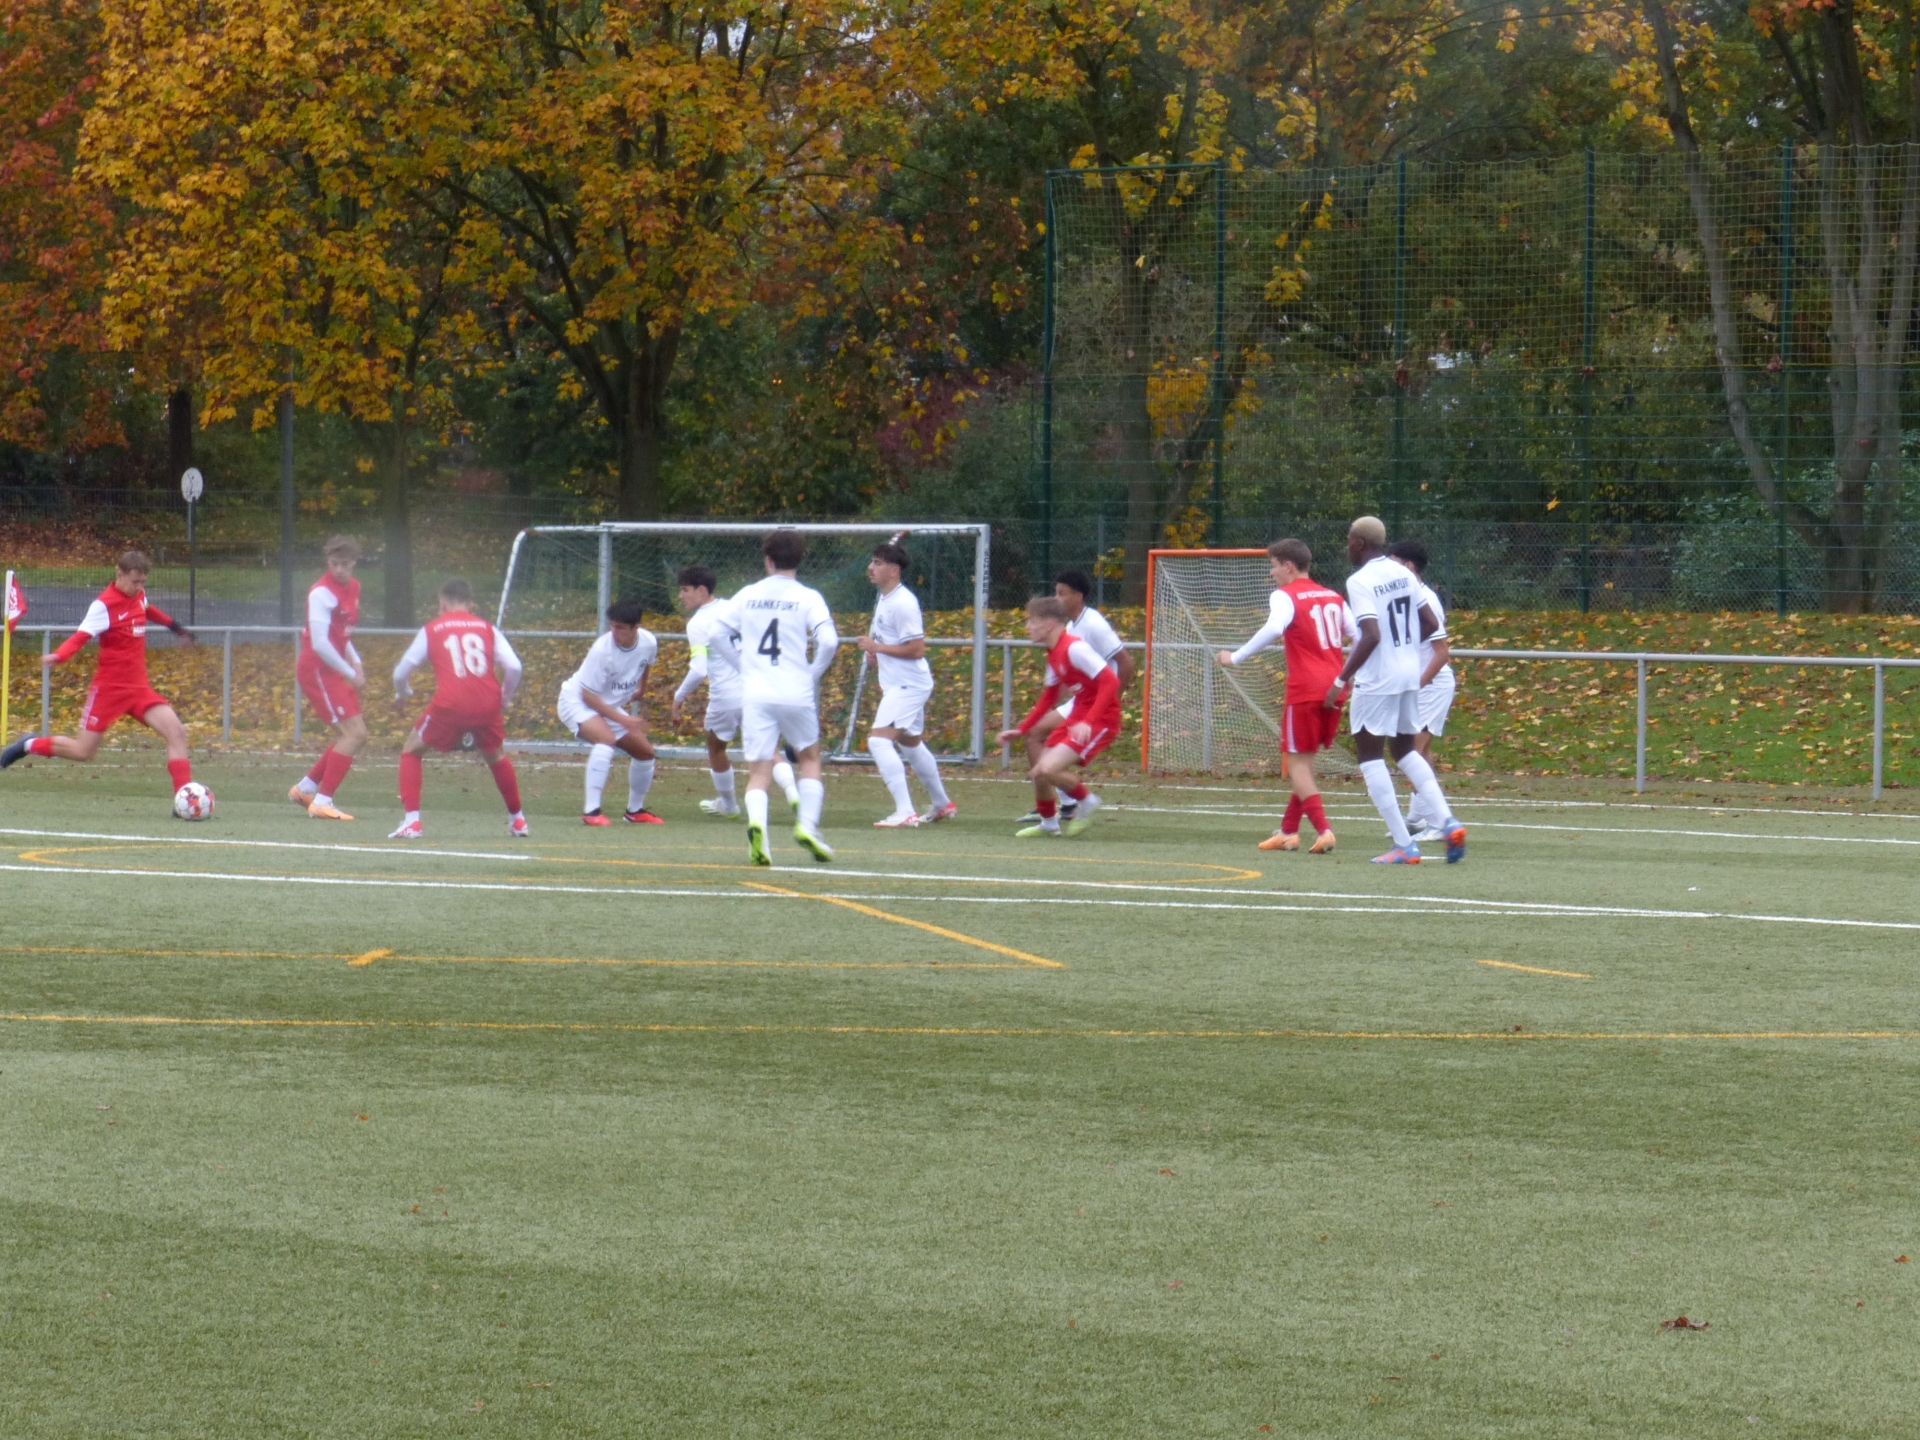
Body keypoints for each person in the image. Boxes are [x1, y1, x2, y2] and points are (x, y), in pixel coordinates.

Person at [1, 549, 197, 799]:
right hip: (108, 690)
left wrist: (177, 629)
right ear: (119, 574)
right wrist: (58, 656)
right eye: (135, 581)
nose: (139, 587)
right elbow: (80, 637)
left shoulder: (138, 595)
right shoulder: (103, 605)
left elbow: (148, 609)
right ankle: (28, 744)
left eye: (142, 582)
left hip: (139, 689)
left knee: (176, 732)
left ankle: (184, 799)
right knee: (83, 752)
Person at [1326, 517, 1465, 865]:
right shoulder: (1403, 574)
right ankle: (1448, 822)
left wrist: (1341, 679)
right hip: (1408, 674)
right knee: (1404, 750)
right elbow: (1430, 623)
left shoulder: (1360, 580)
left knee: (1370, 756)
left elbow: (1371, 635)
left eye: (1349, 540)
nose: (1347, 546)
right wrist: (1403, 650)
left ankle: (1404, 845)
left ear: (1359, 543)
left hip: (1378, 679)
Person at [1214, 538, 1353, 853]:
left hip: (1305, 688)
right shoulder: (1333, 596)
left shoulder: (1285, 595)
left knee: (1297, 765)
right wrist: (1348, 677)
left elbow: (1275, 628)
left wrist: (1236, 656)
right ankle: (1288, 831)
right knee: (1305, 761)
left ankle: (1324, 831)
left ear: (1288, 566)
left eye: (1273, 566)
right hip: (1334, 687)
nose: (1272, 573)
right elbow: (1359, 634)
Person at [388, 577, 528, 839]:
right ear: (470, 605)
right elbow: (515, 667)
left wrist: (403, 692)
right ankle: (518, 820)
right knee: (496, 756)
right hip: (487, 702)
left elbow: (400, 672)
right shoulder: (487, 628)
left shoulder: (432, 629)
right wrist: (505, 697)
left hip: (451, 703)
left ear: (442, 603)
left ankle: (412, 822)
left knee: (412, 750)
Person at [732, 529, 840, 865]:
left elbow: (717, 632)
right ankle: (807, 826)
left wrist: (741, 665)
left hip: (757, 692)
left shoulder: (748, 594)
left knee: (759, 771)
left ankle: (758, 828)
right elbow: (829, 641)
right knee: (809, 758)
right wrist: (812, 673)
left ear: (768, 560)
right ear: (799, 559)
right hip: (795, 691)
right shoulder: (808, 596)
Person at [1016, 570, 1133, 825]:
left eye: (1062, 593)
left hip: (1096, 701)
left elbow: (1125, 663)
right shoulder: (1065, 631)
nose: (1056, 598)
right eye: (1055, 593)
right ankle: (1054, 807)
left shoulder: (1093, 625)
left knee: (1043, 757)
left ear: (1078, 596)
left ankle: (1067, 797)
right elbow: (1050, 693)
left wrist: (1108, 704)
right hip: (1081, 700)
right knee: (1034, 736)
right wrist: (1019, 728)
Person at [998, 595, 1120, 838]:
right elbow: (1049, 696)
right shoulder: (1052, 652)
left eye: (1032, 621)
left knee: (1048, 769)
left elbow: (1110, 681)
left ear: (1049, 624)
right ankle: (1049, 823)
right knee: (1040, 771)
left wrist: (1088, 721)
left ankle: (1087, 801)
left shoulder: (1075, 648)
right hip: (1078, 714)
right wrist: (1022, 729)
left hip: (1100, 718)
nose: (1027, 627)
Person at [859, 541, 956, 827]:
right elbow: (892, 642)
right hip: (901, 684)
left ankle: (905, 812)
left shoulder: (903, 603)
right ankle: (942, 804)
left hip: (907, 685)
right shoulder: (885, 598)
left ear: (894, 570)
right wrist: (876, 653)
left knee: (878, 741)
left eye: (878, 563)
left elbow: (916, 649)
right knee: (911, 744)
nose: (870, 568)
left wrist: (878, 647)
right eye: (872, 561)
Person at [557, 597, 662, 826]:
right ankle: (591, 812)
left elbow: (646, 663)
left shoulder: (648, 642)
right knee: (606, 740)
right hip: (576, 701)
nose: (614, 632)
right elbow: (588, 696)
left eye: (620, 628)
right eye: (612, 626)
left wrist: (642, 689)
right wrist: (625, 721)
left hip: (605, 705)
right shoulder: (602, 651)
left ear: (636, 627)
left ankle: (634, 812)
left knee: (645, 753)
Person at [288, 535, 367, 820]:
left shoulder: (353, 587)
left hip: (332, 669)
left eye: (344, 564)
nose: (339, 570)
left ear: (354, 562)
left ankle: (304, 789)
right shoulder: (321, 593)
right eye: (334, 564)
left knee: (353, 734)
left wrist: (356, 662)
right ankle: (323, 801)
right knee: (355, 734)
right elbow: (321, 643)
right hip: (317, 669)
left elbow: (342, 634)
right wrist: (350, 673)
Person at [1386, 539, 1456, 843]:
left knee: (1411, 752)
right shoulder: (1406, 596)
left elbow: (1442, 654)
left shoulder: (1426, 599)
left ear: (1409, 566)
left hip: (1433, 686)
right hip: (1420, 686)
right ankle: (1417, 818)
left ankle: (1439, 822)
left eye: (1394, 563)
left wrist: (1417, 685)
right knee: (1421, 753)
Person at [670, 566, 744, 817]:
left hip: (726, 695)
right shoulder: (734, 607)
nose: (681, 596)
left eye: (685, 590)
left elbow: (699, 668)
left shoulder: (698, 623)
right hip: (757, 690)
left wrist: (678, 698)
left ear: (701, 590)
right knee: (769, 752)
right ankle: (794, 797)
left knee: (715, 747)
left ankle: (729, 805)